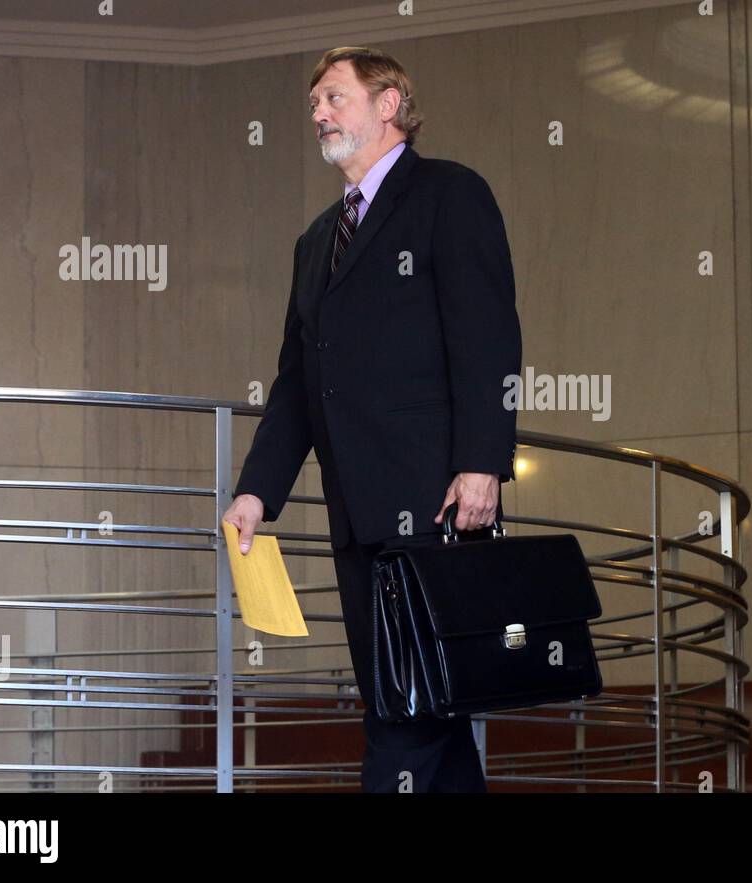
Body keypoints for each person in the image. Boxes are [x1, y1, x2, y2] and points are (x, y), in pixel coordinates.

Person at [221, 45, 521, 793]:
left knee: (402, 712)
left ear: (389, 104)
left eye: (333, 98)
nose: (319, 114)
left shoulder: (450, 195)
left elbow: (488, 337)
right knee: (427, 712)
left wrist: (483, 461)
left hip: (436, 501)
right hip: (355, 514)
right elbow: (298, 383)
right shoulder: (315, 240)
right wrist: (259, 490)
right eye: (314, 104)